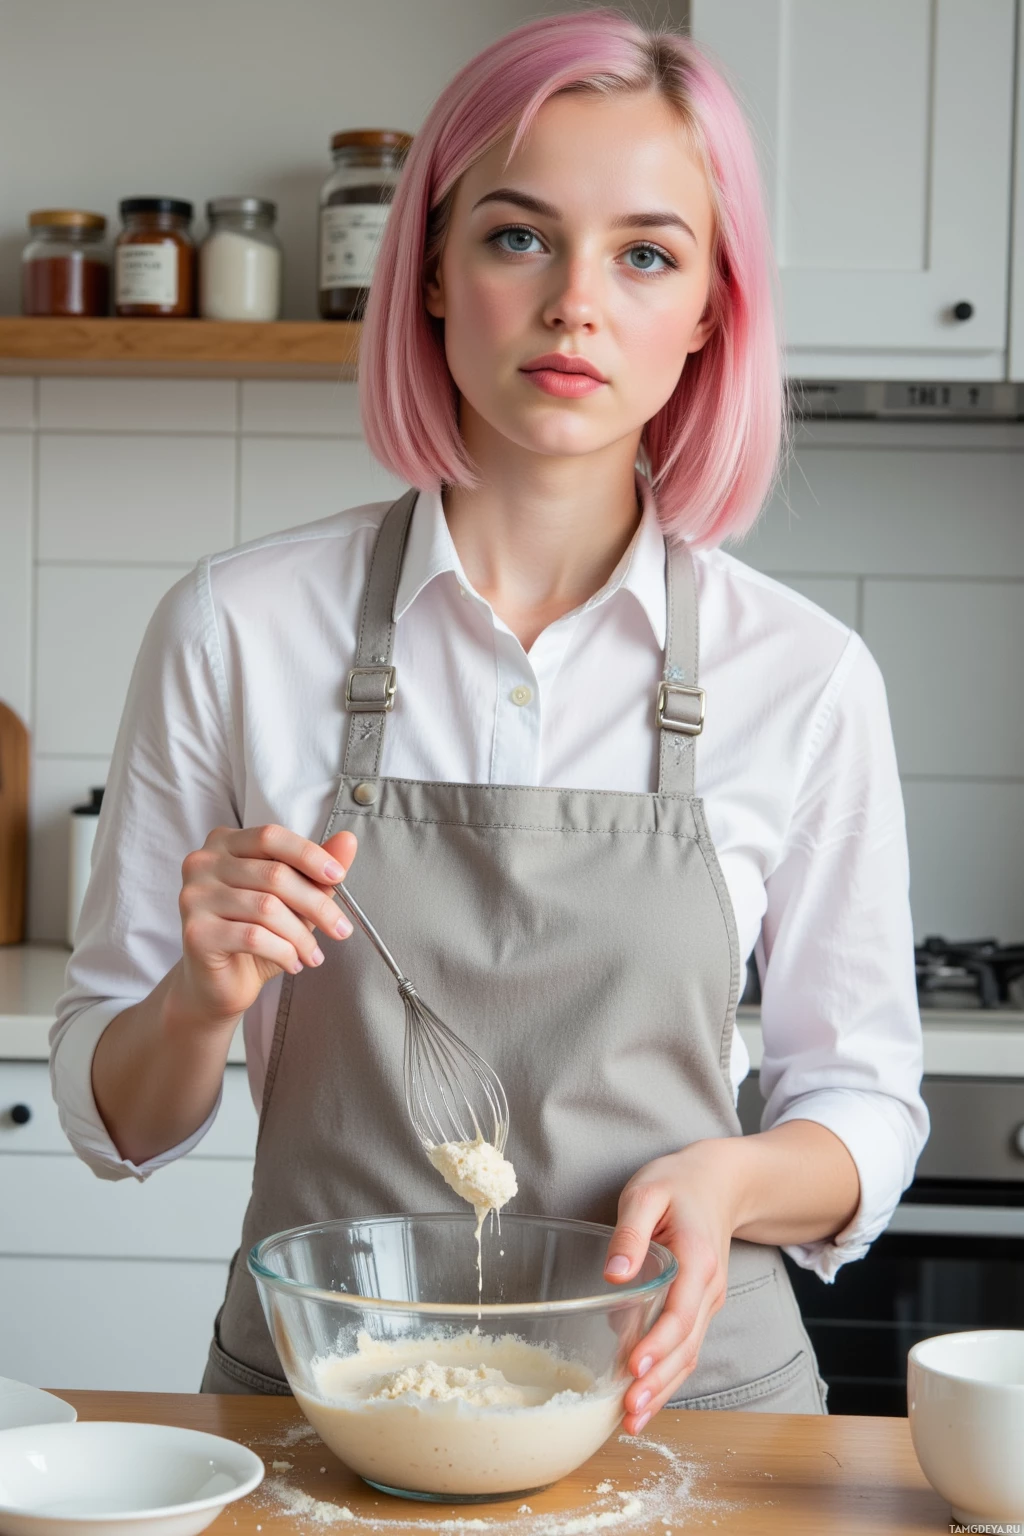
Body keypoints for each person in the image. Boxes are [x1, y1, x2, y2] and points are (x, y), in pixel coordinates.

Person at [51, 8, 927, 1428]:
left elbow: (867, 1104)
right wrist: (198, 1003)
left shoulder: (806, 677)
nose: (578, 301)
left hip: (691, 1413)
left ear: (712, 308)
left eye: (647, 253)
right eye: (519, 235)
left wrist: (734, 1178)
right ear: (436, 275)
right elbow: (124, 1121)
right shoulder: (238, 628)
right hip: (324, 1415)